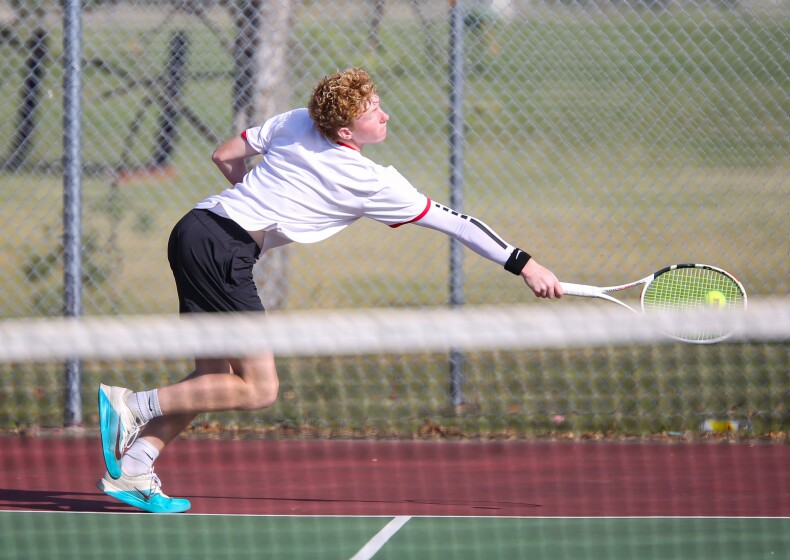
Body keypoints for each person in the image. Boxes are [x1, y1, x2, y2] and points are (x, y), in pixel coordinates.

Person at [96, 68, 564, 513]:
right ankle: (132, 405)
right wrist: (526, 265)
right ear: (345, 132)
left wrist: (258, 209)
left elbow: (224, 155)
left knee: (213, 380)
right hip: (223, 250)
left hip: (194, 229)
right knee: (259, 389)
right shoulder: (373, 183)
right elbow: (458, 225)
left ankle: (135, 468)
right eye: (372, 111)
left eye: (379, 104)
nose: (384, 115)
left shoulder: (299, 119)